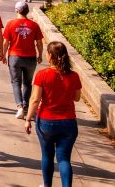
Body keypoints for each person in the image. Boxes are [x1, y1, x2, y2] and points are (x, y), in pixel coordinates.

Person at [25, 42, 82, 187]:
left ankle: (47, 184)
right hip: (69, 122)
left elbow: (35, 100)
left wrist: (28, 119)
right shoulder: (74, 76)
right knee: (64, 159)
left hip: (46, 121)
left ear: (50, 56)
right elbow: (76, 98)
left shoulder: (42, 75)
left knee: (47, 155)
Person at [3, 1, 44, 119]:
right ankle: (25, 106)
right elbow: (39, 43)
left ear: (16, 11)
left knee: (16, 82)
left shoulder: (11, 24)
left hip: (15, 57)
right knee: (27, 83)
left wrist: (3, 54)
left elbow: (6, 42)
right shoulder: (34, 25)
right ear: (27, 11)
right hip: (30, 57)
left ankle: (20, 107)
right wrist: (40, 55)